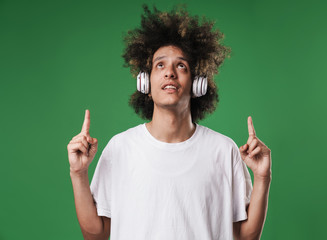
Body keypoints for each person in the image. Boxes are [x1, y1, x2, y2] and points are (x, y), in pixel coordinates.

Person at [67, 5, 271, 240]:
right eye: (160, 65)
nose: (170, 73)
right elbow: (97, 235)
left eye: (181, 66)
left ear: (197, 84)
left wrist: (263, 178)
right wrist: (78, 172)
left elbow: (245, 237)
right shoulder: (120, 148)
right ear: (145, 82)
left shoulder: (223, 151)